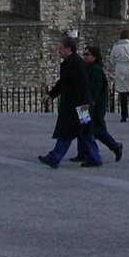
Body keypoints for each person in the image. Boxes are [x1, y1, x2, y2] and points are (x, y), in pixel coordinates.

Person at [39, 35, 101, 168]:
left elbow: (83, 83)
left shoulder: (75, 63)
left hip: (78, 105)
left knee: (68, 131)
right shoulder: (71, 63)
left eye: (61, 48)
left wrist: (85, 101)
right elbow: (63, 82)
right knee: (85, 131)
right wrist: (51, 94)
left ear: (68, 49)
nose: (59, 51)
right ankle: (95, 157)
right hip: (78, 104)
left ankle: (54, 157)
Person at [78, 47, 123, 162]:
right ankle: (83, 152)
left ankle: (114, 146)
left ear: (94, 57)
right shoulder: (88, 68)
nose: (85, 56)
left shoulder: (96, 70)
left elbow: (95, 88)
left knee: (96, 128)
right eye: (84, 54)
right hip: (87, 102)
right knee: (83, 127)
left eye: (87, 54)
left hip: (95, 105)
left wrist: (89, 101)